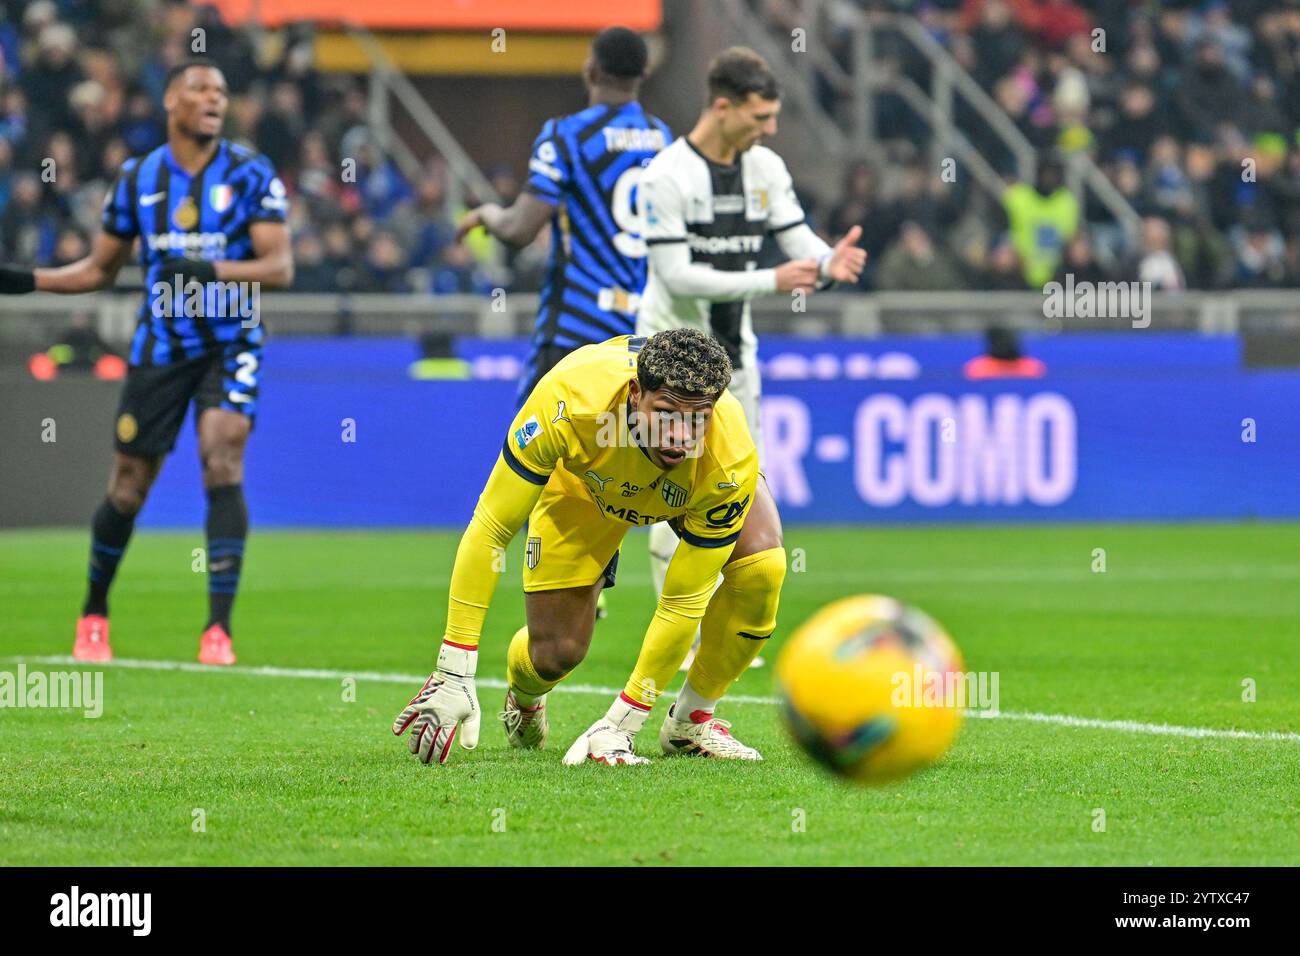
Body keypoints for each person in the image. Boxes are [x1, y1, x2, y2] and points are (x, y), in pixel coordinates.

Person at [0, 59, 293, 664]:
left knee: (223, 458)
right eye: (201, 89)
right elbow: (98, 272)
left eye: (221, 90)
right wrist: (27, 280)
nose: (214, 98)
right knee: (129, 487)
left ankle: (218, 631)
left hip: (231, 341)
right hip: (160, 348)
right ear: (171, 101)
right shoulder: (139, 178)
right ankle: (94, 615)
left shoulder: (250, 172)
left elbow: (280, 267)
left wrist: (210, 270)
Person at [393, 329, 786, 765]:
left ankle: (691, 721)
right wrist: (454, 668)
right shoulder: (569, 400)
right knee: (556, 654)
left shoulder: (727, 455)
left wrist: (623, 722)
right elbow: (491, 527)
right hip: (585, 491)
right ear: (636, 394)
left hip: (688, 491)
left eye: (699, 417)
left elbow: (683, 600)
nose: (681, 435)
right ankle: (524, 695)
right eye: (666, 413)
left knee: (762, 568)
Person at [633, 46, 865, 667]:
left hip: (737, 362)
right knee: (672, 490)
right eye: (760, 117)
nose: (770, 129)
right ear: (722, 106)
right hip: (670, 367)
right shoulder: (666, 176)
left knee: (737, 486)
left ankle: (723, 627)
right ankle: (678, 635)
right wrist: (773, 280)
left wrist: (827, 265)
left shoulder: (765, 168)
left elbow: (798, 244)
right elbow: (675, 275)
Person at [455, 26, 671, 407]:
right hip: (643, 337)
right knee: (622, 456)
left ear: (591, 70)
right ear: (645, 75)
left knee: (532, 455)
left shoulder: (566, 137)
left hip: (576, 329)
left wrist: (489, 214)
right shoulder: (663, 138)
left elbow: (520, 230)